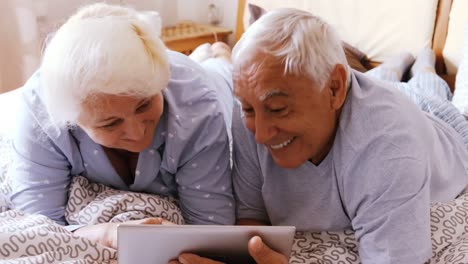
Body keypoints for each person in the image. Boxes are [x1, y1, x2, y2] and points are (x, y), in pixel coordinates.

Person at [171, 8, 468, 264]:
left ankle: (424, 61)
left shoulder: (390, 148)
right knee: (381, 80)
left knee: (426, 87)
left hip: (440, 122)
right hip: (369, 94)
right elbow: (251, 218)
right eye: (249, 109)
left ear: (334, 89)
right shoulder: (253, 104)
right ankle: (396, 62)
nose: (260, 134)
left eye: (278, 109)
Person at [8, 3, 235, 249]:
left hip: (210, 83)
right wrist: (104, 233)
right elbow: (39, 227)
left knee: (223, 74)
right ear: (72, 122)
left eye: (144, 105)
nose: (137, 133)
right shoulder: (41, 114)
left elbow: (213, 230)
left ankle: (220, 55)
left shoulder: (197, 105)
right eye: (110, 123)